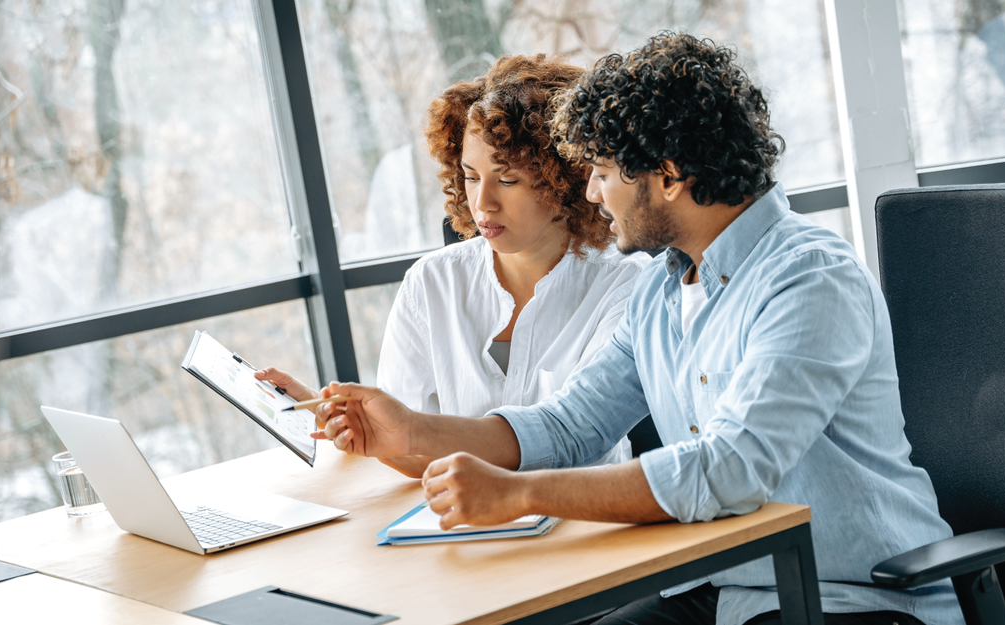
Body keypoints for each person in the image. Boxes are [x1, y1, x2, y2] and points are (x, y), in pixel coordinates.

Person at [311, 33, 964, 625]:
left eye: (602, 171)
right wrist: (412, 431)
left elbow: (728, 469)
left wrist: (519, 493)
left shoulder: (811, 279)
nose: (591, 194)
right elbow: (570, 425)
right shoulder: (660, 286)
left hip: (850, 594)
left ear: (670, 175)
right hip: (716, 589)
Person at [258, 54, 649, 478]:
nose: (483, 203)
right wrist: (344, 420)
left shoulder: (627, 284)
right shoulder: (432, 283)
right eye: (471, 176)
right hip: (461, 522)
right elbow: (408, 446)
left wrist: (413, 433)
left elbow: (572, 435)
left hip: (585, 523)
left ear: (568, 177)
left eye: (508, 179)